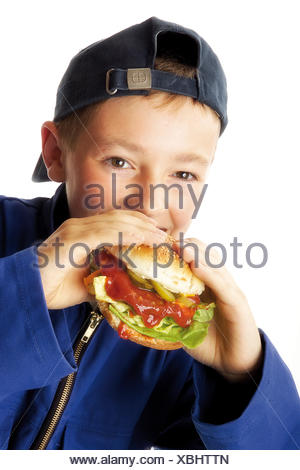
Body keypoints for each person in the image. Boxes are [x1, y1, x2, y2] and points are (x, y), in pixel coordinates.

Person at [0, 16, 299, 450]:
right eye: (119, 163)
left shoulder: (176, 335)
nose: (152, 203)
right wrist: (26, 292)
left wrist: (242, 377)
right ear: (56, 153)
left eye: (183, 174)